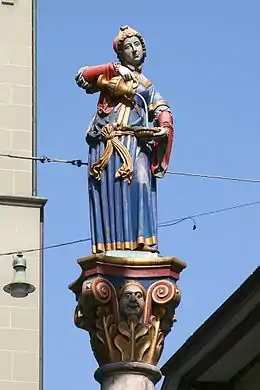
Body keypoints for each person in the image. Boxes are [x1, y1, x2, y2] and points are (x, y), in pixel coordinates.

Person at [76, 25, 174, 254]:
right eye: (128, 47)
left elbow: (161, 109)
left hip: (135, 142)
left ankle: (143, 241)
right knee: (108, 191)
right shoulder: (110, 73)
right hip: (107, 142)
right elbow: (82, 76)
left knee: (141, 180)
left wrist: (165, 127)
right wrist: (114, 69)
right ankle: (110, 246)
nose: (134, 50)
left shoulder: (147, 86)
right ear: (120, 54)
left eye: (137, 45)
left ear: (144, 50)